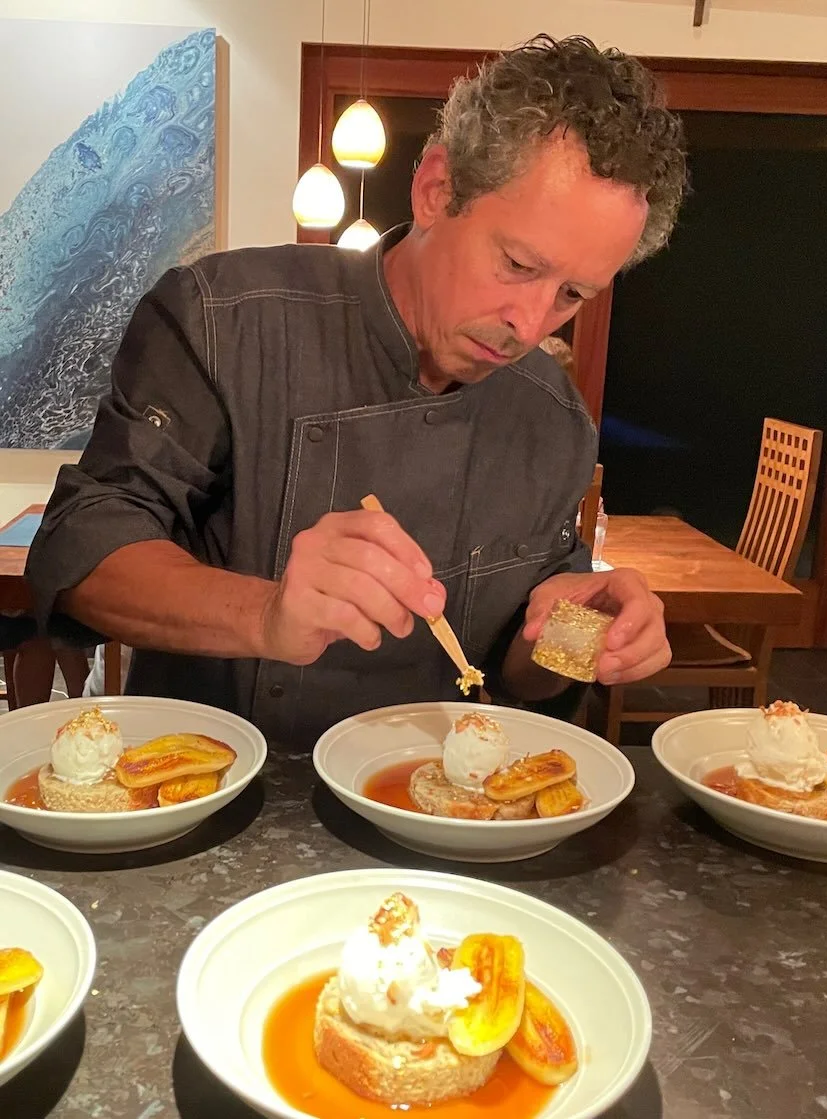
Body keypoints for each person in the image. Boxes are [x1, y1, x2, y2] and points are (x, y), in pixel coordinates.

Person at [26, 35, 687, 746]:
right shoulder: (223, 318)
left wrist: (583, 632)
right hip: (220, 795)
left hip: (443, 809)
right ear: (437, 189)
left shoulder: (552, 417)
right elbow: (82, 550)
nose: (528, 324)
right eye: (518, 263)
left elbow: (525, 677)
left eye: (571, 294)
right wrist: (268, 613)